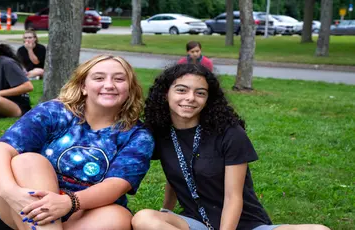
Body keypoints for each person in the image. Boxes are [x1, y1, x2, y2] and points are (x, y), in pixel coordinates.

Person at [132, 64, 330, 230]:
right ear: (166, 93)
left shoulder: (230, 133)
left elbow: (233, 197)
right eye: (181, 90)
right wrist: (166, 211)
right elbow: (175, 174)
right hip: (196, 223)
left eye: (200, 93)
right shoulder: (161, 132)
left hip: (245, 224)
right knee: (144, 219)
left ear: (208, 99)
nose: (191, 98)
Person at [0, 54, 154, 230]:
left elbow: (116, 185)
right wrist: (10, 193)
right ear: (83, 86)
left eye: (119, 79)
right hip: (21, 204)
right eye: (99, 78)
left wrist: (69, 202)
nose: (109, 85)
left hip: (81, 211)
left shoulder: (138, 135)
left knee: (118, 217)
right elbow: (1, 152)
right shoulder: (53, 112)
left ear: (130, 89)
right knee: (27, 161)